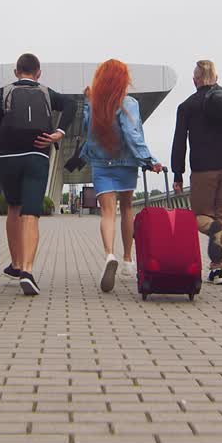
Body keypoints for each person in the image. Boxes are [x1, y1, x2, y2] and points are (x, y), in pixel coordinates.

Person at [0, 53, 77, 296]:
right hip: (37, 156)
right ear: (38, 73)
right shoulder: (46, 92)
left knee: (14, 208)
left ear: (16, 71)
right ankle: (27, 270)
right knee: (31, 213)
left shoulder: (2, 92)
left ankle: (16, 264)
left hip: (8, 157)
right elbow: (71, 104)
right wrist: (59, 132)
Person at [80, 59, 162, 293]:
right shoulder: (129, 103)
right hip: (126, 163)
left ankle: (108, 255)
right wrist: (149, 159)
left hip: (100, 164)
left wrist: (88, 102)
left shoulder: (94, 103)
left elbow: (87, 130)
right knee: (126, 209)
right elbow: (132, 133)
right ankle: (127, 260)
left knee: (107, 213)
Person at [170, 60, 222, 285]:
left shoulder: (188, 106)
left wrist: (178, 174)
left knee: (199, 216)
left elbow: (179, 142)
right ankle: (218, 270)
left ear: (195, 80)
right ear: (216, 78)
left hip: (204, 169)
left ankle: (213, 230)